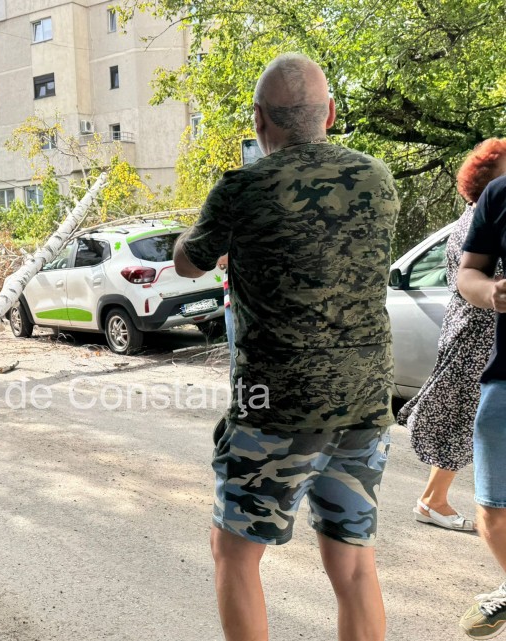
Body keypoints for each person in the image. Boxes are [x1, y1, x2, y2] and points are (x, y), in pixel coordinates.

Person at [173, 53, 399, 641]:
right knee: (352, 563)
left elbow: (188, 260)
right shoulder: (376, 177)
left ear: (259, 121)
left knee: (234, 551)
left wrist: (207, 233)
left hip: (276, 408)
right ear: (328, 112)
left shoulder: (242, 188)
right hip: (365, 402)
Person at [398, 139, 506, 533]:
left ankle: (432, 499)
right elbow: (472, 280)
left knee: (465, 419)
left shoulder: (478, 216)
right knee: (463, 420)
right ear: (487, 180)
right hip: (474, 332)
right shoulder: (476, 220)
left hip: (479, 332)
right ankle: (432, 500)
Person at [456, 171, 506, 638]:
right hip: (504, 378)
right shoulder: (500, 193)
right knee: (492, 507)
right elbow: (467, 273)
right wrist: (490, 291)